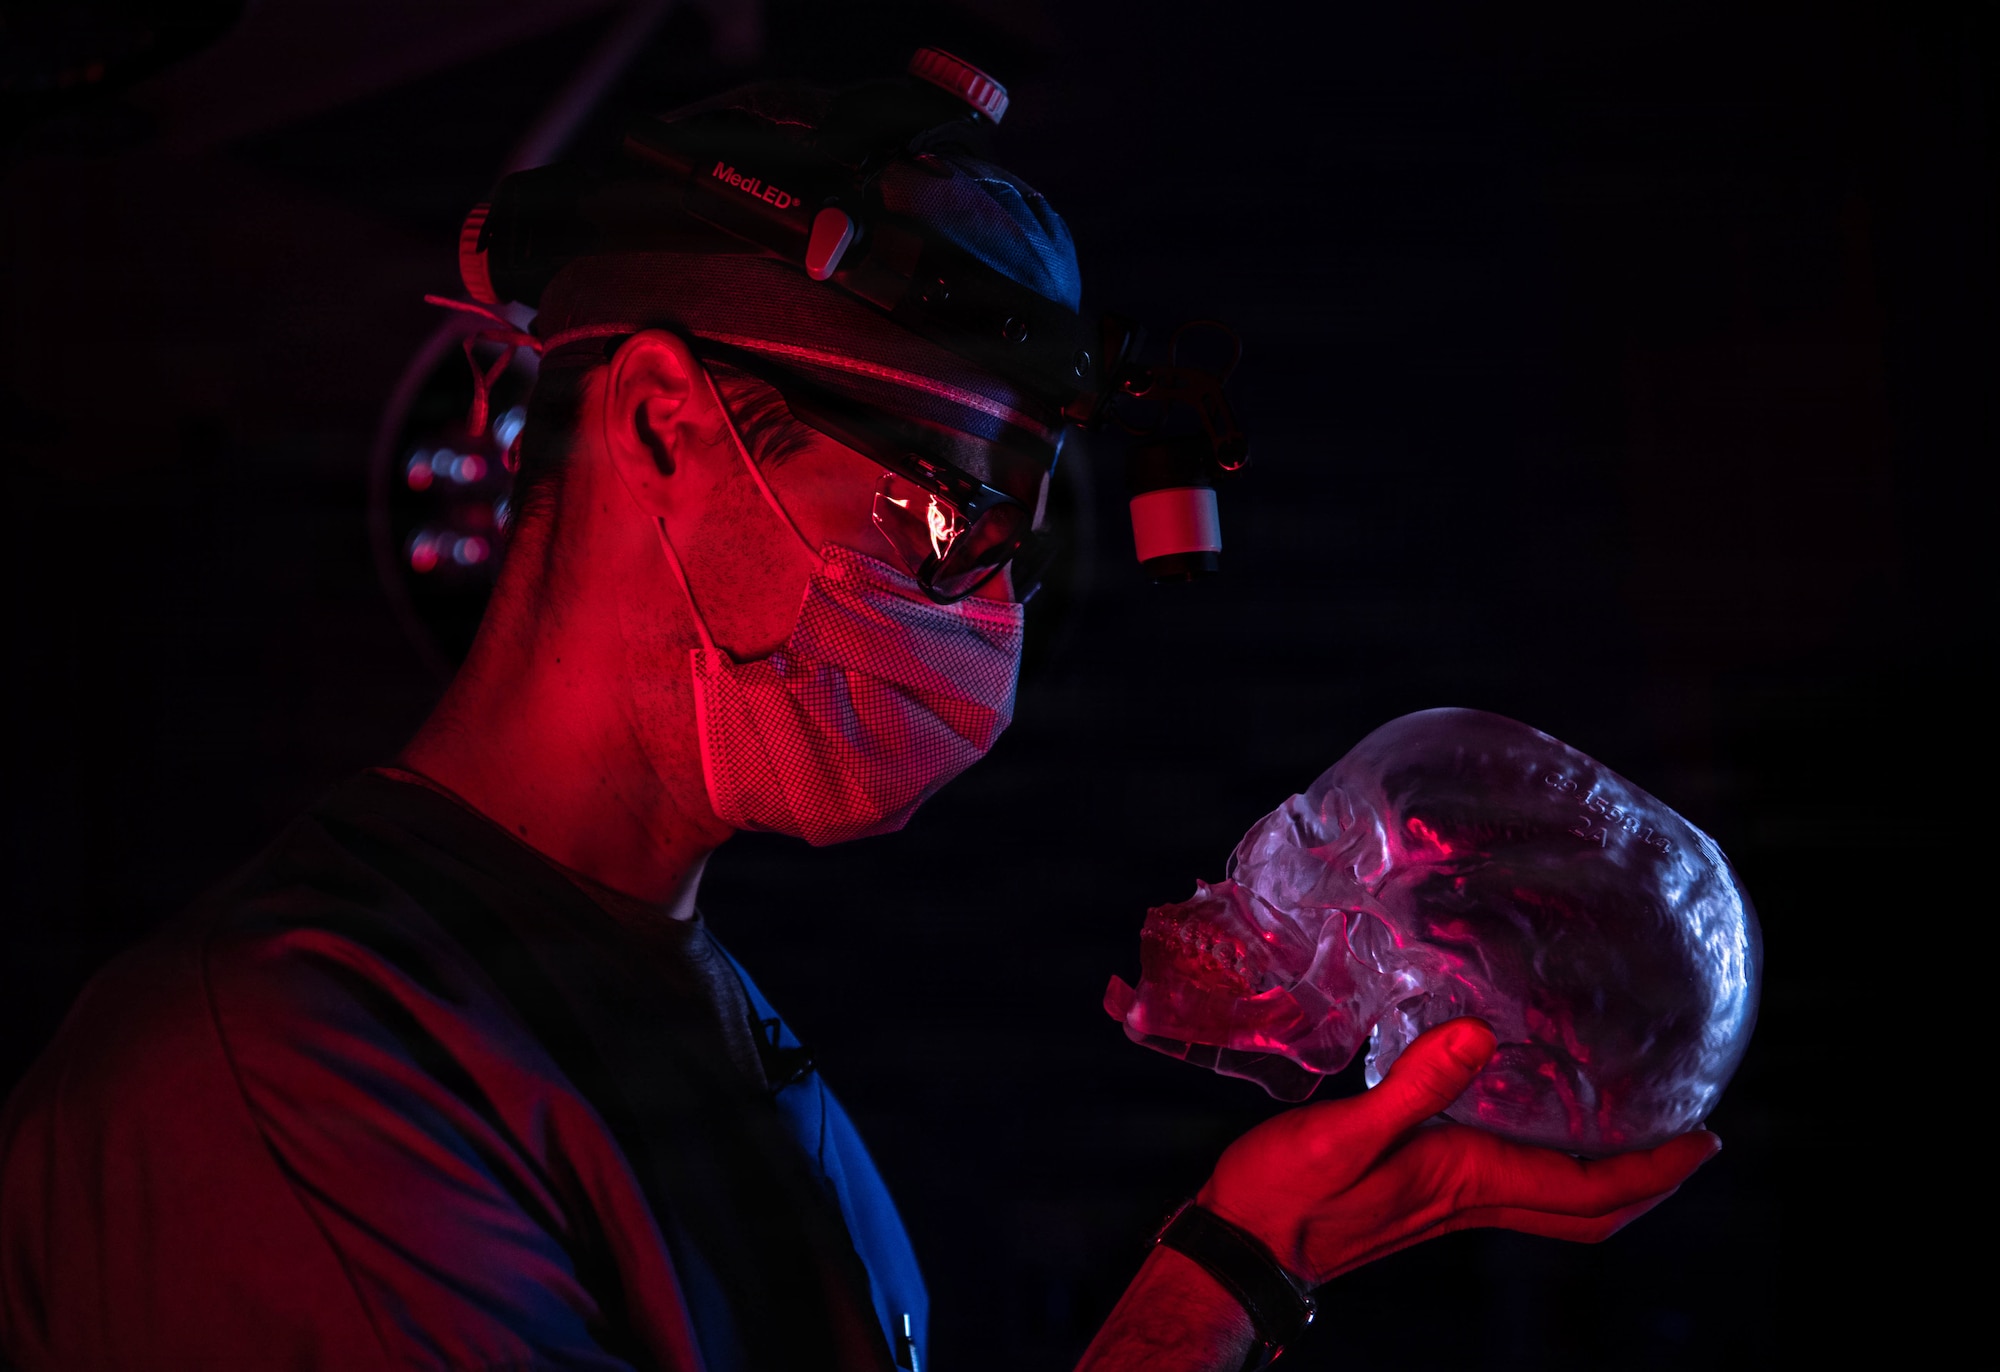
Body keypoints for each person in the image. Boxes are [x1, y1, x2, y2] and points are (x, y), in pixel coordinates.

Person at [0, 62, 1717, 1372]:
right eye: (943, 518)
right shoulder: (287, 1083)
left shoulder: (712, 1038)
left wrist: (1250, 1259)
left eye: (1017, 551)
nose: (984, 613)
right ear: (667, 422)